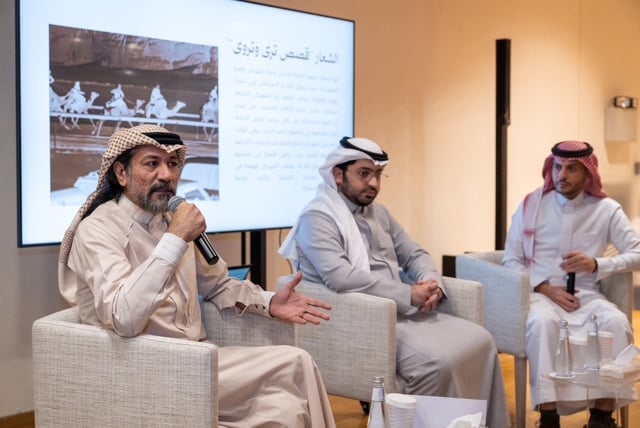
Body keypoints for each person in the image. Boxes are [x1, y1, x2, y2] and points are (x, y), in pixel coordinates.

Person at [58, 124, 336, 428]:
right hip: (144, 369)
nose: (166, 175)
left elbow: (218, 285)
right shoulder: (97, 230)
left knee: (286, 410)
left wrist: (270, 303)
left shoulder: (171, 221)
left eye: (172, 164)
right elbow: (124, 317)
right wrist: (175, 239)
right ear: (121, 173)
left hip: (198, 360)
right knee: (297, 363)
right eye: (152, 163)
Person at [280, 136, 511, 428]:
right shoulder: (318, 217)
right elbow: (341, 277)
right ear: (338, 175)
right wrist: (409, 295)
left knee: (482, 340)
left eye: (378, 174)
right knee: (436, 363)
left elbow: (414, 253)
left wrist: (431, 282)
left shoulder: (379, 213)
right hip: (361, 318)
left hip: (401, 309)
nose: (373, 183)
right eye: (364, 174)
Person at [503, 140, 640, 428]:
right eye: (557, 167)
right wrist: (544, 288)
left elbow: (637, 254)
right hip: (540, 294)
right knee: (542, 323)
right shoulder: (531, 205)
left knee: (617, 323)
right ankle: (548, 417)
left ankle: (602, 416)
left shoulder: (606, 209)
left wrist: (597, 264)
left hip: (586, 295)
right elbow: (511, 260)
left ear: (588, 173)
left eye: (571, 169)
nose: (561, 175)